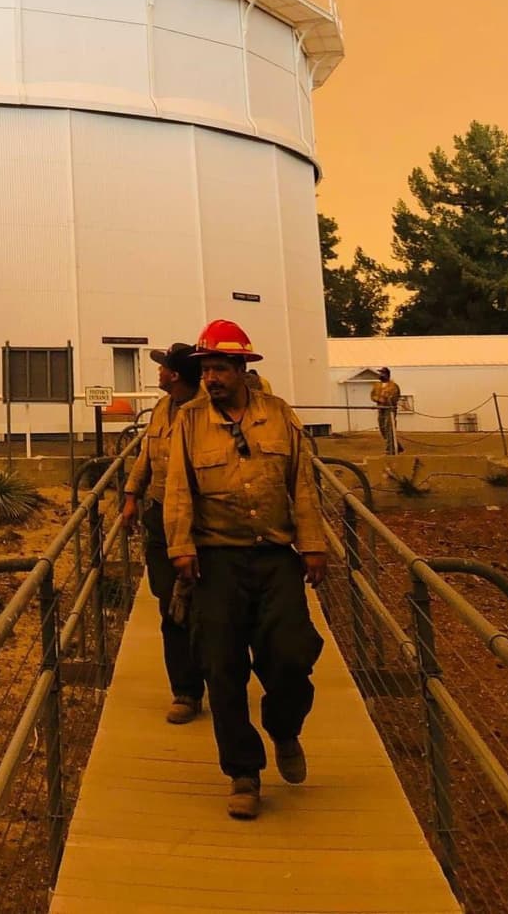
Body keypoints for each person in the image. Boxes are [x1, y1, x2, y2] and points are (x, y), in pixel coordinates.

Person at [164, 318, 328, 821]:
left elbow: (302, 481)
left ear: (241, 368)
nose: (211, 377)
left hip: (276, 556)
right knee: (222, 666)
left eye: (219, 367)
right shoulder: (189, 422)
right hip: (216, 559)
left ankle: (283, 727)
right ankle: (243, 773)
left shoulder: (279, 416)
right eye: (206, 369)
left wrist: (314, 544)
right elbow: (177, 488)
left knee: (292, 656)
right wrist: (180, 548)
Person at [122, 344, 205, 724]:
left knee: (211, 607)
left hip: (201, 522)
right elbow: (146, 454)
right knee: (169, 605)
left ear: (174, 374)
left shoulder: (208, 410)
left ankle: (220, 680)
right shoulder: (161, 407)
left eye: (162, 367)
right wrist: (130, 495)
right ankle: (185, 691)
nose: (156, 372)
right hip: (159, 518)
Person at [370, 368, 403, 454]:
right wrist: (379, 399)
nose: (380, 375)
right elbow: (373, 395)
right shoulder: (377, 385)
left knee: (389, 428)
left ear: (387, 374)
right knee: (383, 429)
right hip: (380, 409)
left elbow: (395, 397)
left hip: (390, 410)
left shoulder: (394, 386)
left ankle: (390, 449)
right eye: (379, 373)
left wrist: (385, 399)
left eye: (382, 373)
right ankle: (397, 446)